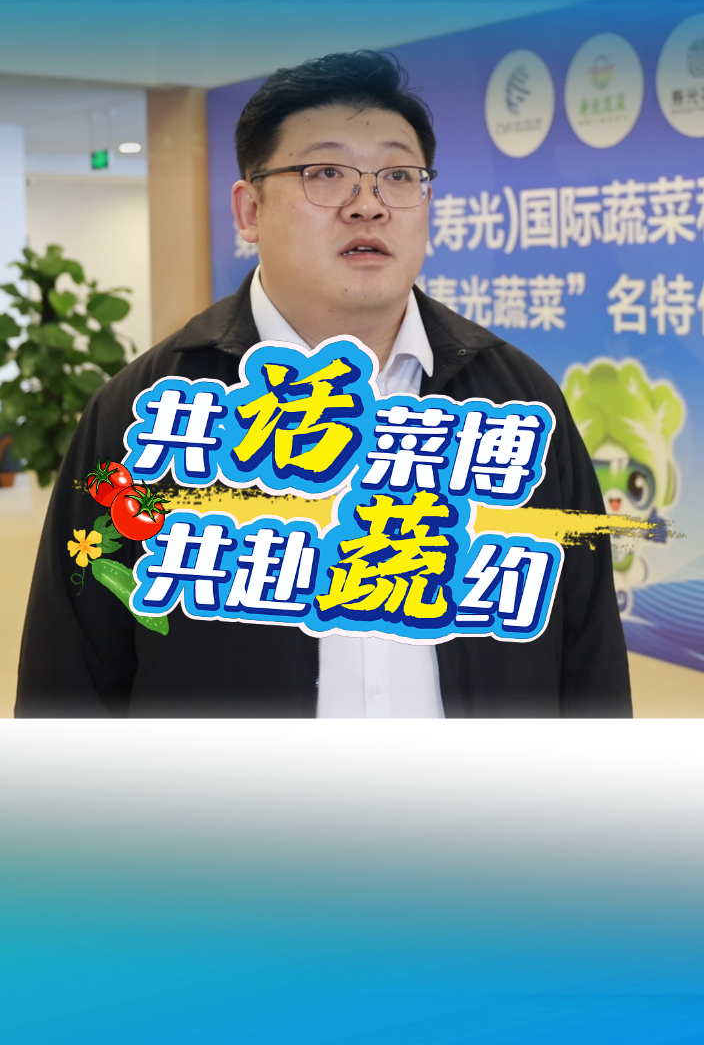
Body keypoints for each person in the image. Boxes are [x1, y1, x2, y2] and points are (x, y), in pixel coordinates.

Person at [15, 50, 632, 718]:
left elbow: (588, 652)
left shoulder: (517, 402)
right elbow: (71, 676)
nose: (368, 206)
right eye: (326, 173)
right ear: (249, 211)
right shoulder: (147, 413)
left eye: (399, 176)